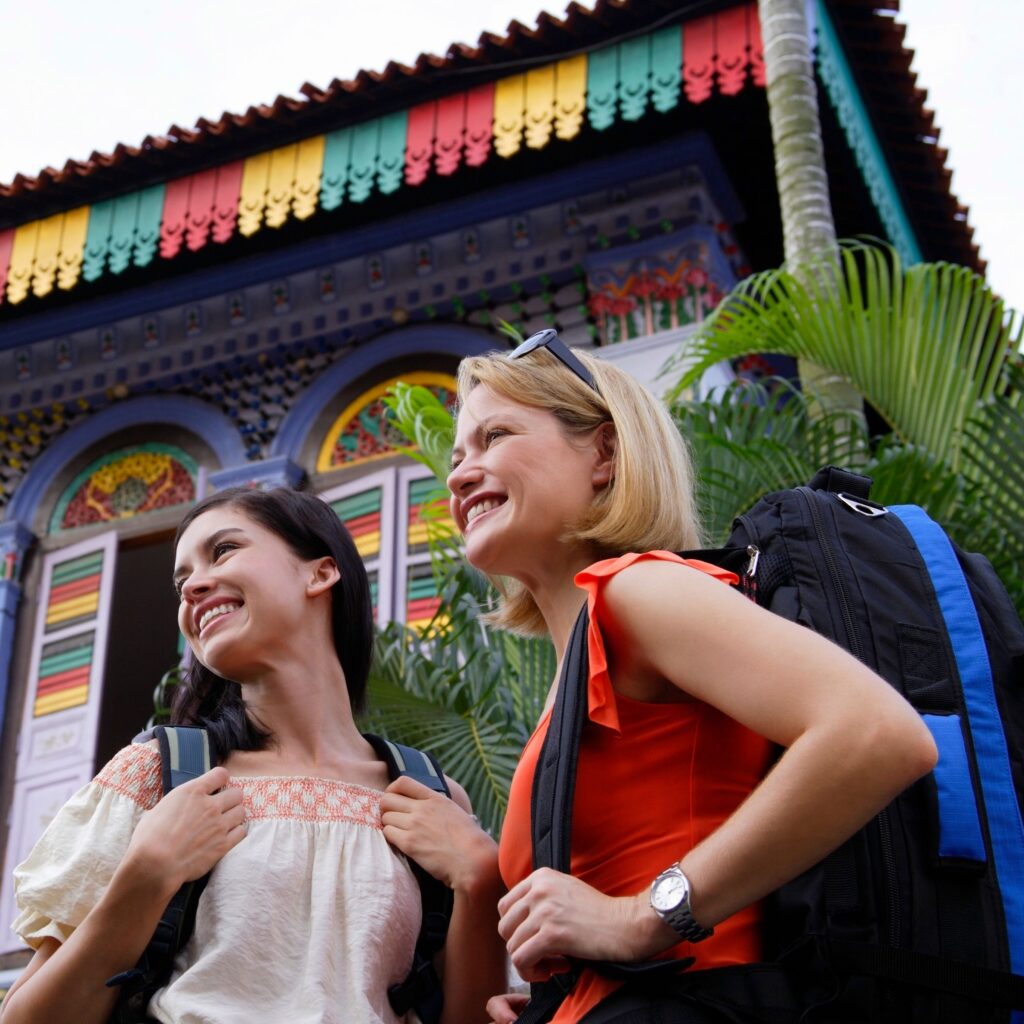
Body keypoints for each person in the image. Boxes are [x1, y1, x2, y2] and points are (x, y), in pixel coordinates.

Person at [444, 332, 939, 1024]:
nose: (460, 474)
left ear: (605, 454)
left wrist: (642, 919)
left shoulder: (636, 591)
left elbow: (877, 734)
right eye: (457, 454)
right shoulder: (584, 651)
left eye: (494, 436)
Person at [1, 486, 506, 1024]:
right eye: (181, 581)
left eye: (223, 551)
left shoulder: (430, 795)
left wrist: (480, 878)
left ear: (320, 573)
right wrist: (145, 877)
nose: (193, 585)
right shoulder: (157, 777)